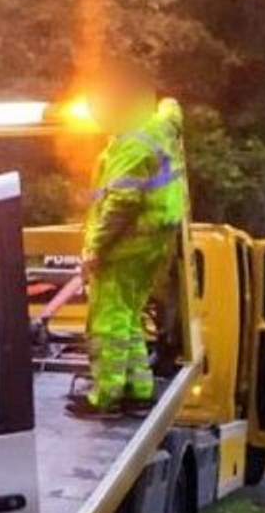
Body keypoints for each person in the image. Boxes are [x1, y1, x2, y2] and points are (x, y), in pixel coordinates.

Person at [73, 70, 187, 419]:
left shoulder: (133, 143)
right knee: (126, 317)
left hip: (126, 247)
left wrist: (95, 249)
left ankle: (105, 397)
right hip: (149, 245)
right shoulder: (157, 130)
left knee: (107, 322)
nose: (98, 116)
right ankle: (138, 390)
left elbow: (121, 202)